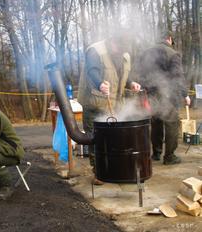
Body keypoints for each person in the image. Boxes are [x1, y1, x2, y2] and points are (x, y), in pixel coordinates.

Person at [77, 33, 141, 184]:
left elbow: (123, 76)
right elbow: (92, 71)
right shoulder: (95, 51)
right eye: (118, 47)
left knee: (114, 139)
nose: (120, 51)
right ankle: (98, 172)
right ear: (112, 41)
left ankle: (113, 169)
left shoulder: (124, 55)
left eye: (123, 49)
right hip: (95, 103)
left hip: (115, 104)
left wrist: (131, 83)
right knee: (96, 138)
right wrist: (100, 84)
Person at [138, 31, 190, 165]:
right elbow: (177, 76)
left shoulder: (146, 53)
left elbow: (140, 74)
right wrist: (185, 94)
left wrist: (145, 89)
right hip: (169, 94)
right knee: (172, 123)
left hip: (151, 94)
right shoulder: (172, 54)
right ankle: (170, 156)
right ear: (169, 38)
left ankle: (156, 153)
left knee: (156, 123)